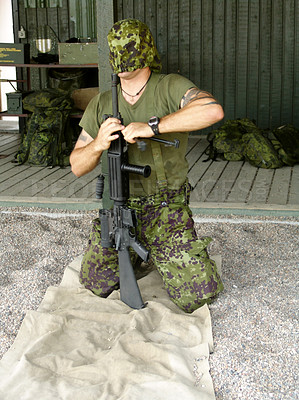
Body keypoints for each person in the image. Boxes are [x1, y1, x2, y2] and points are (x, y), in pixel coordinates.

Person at [70, 19, 224, 313]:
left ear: (145, 49)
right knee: (95, 283)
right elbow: (77, 165)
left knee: (198, 295)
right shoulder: (102, 103)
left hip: (165, 210)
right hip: (118, 210)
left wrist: (153, 127)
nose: (122, 55)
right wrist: (99, 143)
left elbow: (212, 110)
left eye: (129, 46)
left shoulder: (169, 86)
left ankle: (159, 251)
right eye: (117, 47)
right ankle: (142, 257)